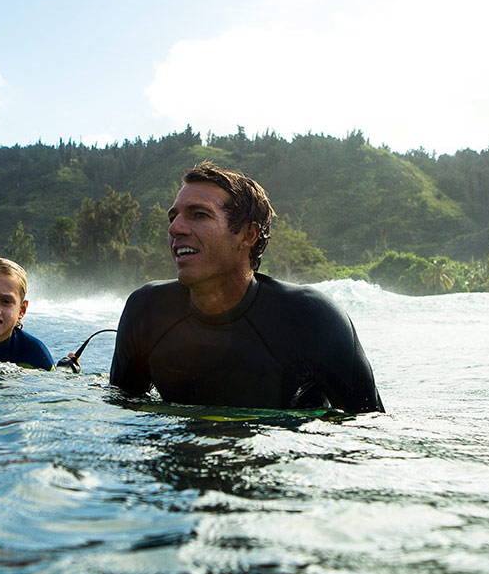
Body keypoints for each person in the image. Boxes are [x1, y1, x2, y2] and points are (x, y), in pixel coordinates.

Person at [110, 162, 383, 413]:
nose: (175, 228)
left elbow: (368, 425)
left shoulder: (311, 317)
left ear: (248, 235)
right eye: (173, 217)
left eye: (199, 215)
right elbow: (121, 412)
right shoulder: (147, 310)